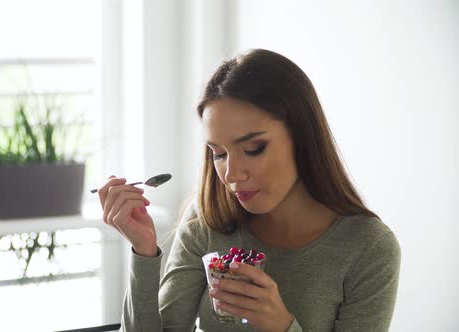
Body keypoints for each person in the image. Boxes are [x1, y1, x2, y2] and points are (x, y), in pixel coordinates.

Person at [97, 49, 401, 331]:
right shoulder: (207, 219)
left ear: (303, 137)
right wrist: (144, 251)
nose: (231, 174)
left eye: (253, 148)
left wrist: (282, 325)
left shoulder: (369, 249)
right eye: (218, 153)